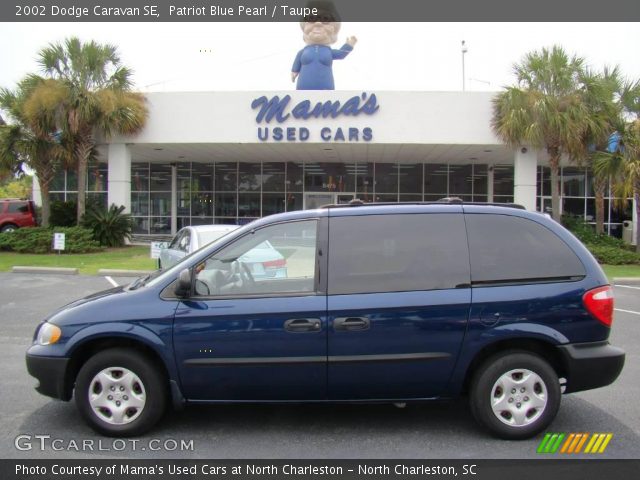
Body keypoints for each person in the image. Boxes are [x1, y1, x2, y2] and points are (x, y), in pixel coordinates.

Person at [291, 20, 357, 90]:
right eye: (311, 21)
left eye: (325, 21)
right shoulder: (302, 52)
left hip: (325, 87)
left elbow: (341, 54)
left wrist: (348, 46)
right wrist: (294, 71)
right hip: (304, 86)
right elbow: (296, 64)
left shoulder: (329, 51)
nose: (318, 23)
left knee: (325, 97)